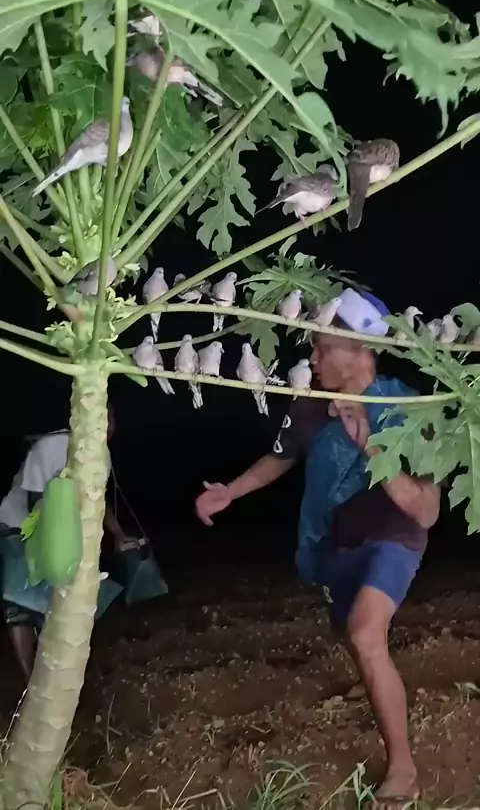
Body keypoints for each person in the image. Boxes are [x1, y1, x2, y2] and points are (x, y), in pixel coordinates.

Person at [195, 289, 440, 808]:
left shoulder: (409, 408)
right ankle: (371, 677)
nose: (311, 357)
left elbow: (425, 511)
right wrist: (231, 491)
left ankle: (403, 769)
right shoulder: (309, 404)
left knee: (365, 631)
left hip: (391, 534)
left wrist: (369, 444)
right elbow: (281, 456)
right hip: (331, 538)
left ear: (359, 350)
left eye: (321, 347)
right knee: (351, 632)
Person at [0, 404, 141, 679]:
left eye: (110, 420)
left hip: (64, 528)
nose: (106, 426)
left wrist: (120, 535)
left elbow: (97, 500)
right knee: (20, 606)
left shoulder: (101, 455)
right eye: (99, 418)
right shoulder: (51, 447)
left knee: (63, 598)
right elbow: (35, 504)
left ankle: (58, 668)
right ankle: (32, 682)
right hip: (20, 525)